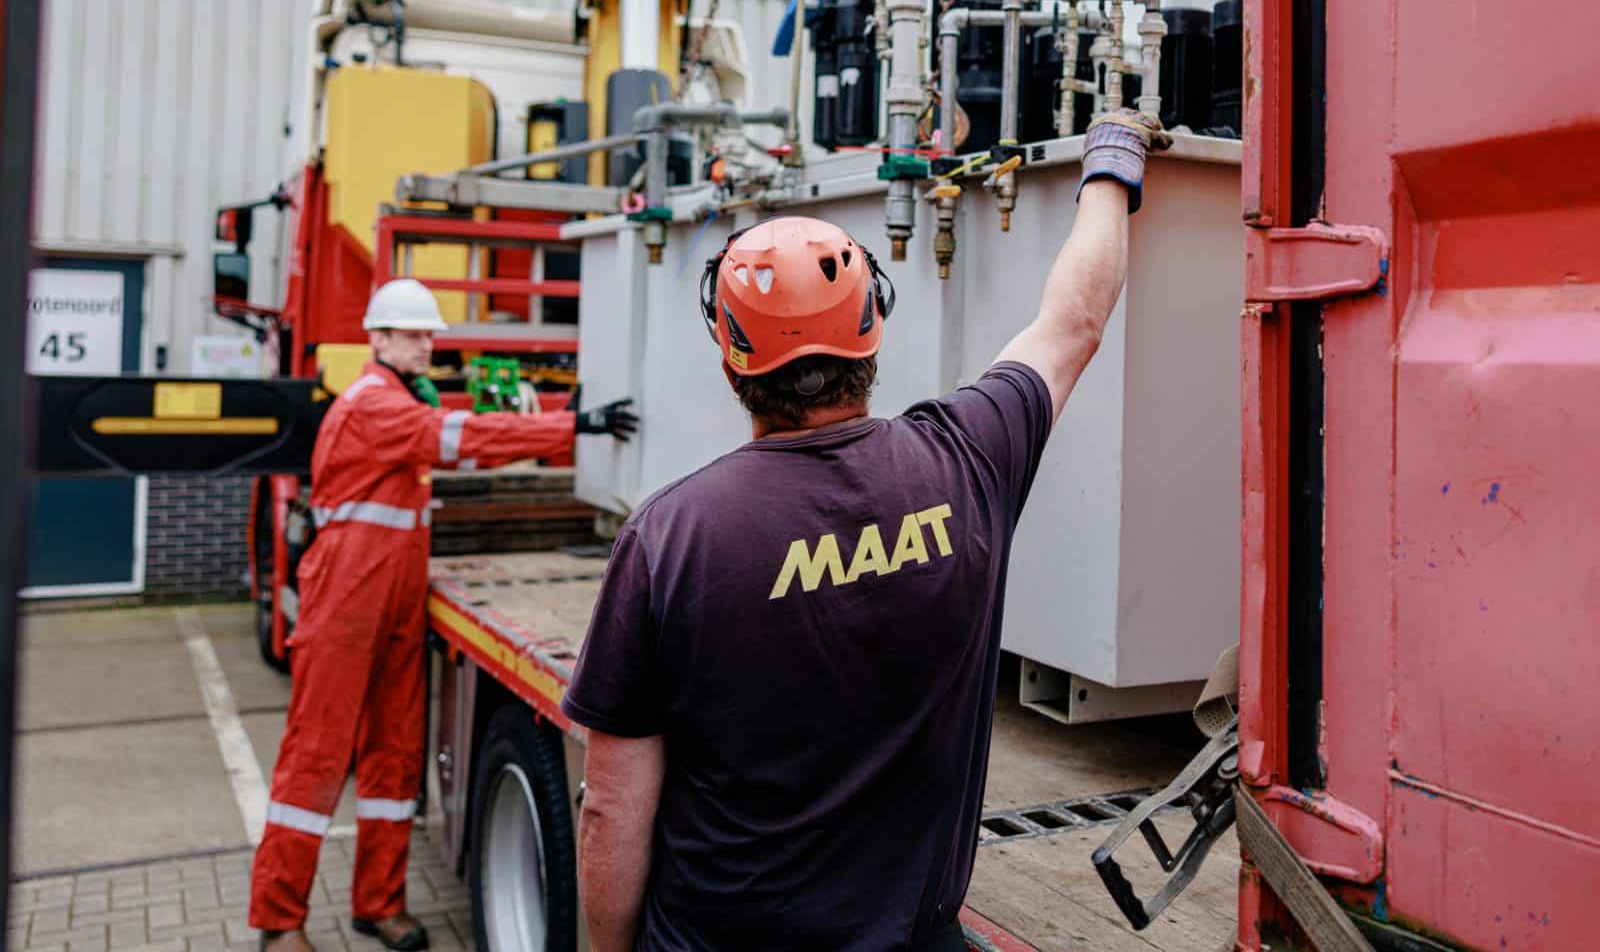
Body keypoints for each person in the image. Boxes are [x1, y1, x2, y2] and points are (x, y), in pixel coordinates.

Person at [563, 109, 1171, 952]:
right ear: (872, 326)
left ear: (732, 357)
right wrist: (1112, 159)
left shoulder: (671, 538)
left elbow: (612, 804)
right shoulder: (966, 459)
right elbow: (1074, 322)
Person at [250, 278, 639, 951]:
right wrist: (571, 423)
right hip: (347, 596)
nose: (428, 345)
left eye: (430, 334)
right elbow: (463, 438)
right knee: (315, 757)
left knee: (395, 755)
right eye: (413, 333)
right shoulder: (375, 404)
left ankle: (379, 903)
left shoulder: (398, 397)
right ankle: (279, 922)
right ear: (378, 338)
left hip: (394, 595)